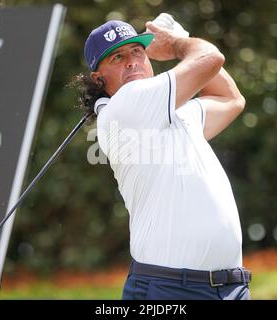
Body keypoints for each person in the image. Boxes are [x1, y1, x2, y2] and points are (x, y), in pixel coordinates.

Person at [77, 18, 251, 300]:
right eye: (118, 57)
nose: (132, 62)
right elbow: (211, 58)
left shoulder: (175, 114)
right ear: (98, 79)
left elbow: (231, 98)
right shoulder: (125, 107)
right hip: (170, 288)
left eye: (137, 52)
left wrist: (180, 39)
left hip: (229, 287)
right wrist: (178, 43)